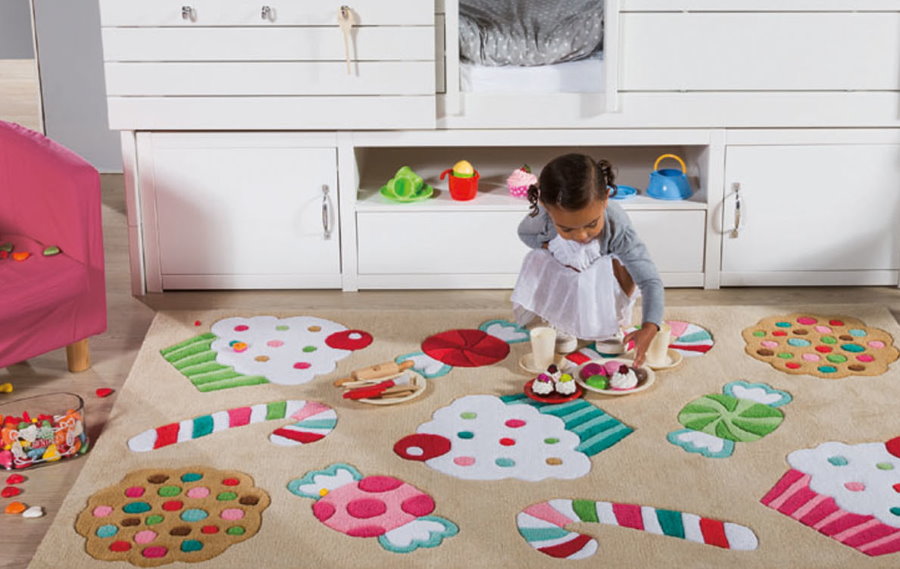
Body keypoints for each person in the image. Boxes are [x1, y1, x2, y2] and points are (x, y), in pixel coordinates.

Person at [511, 153, 664, 367]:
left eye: (591, 224)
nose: (582, 236)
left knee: (616, 260)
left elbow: (649, 280)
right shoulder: (544, 217)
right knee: (538, 257)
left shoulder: (616, 225)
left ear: (606, 199)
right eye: (566, 228)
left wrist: (649, 326)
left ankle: (609, 327)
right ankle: (561, 320)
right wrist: (546, 246)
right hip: (568, 282)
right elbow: (524, 233)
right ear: (547, 208)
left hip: (606, 286)